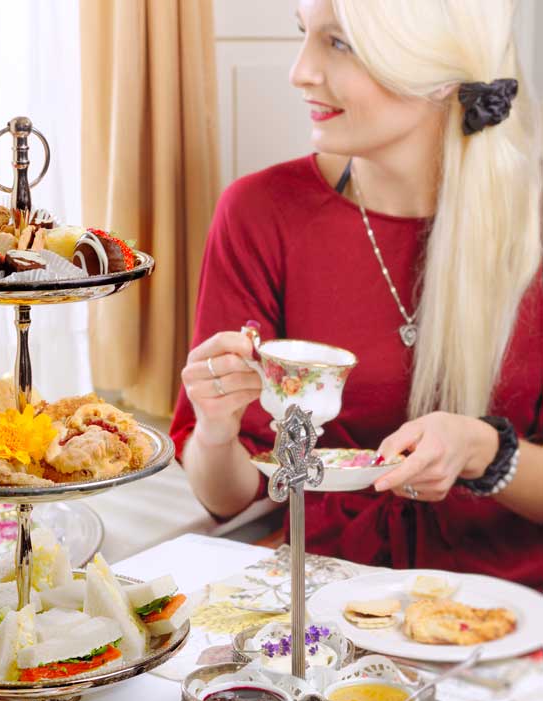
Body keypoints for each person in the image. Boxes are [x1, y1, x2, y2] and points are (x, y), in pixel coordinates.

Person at [170, 0, 543, 589]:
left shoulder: (533, 227)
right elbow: (228, 499)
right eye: (304, 34)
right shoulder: (259, 214)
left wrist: (482, 451)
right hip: (325, 601)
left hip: (509, 615)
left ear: (441, 71)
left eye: (339, 43)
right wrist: (216, 429)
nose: (300, 71)